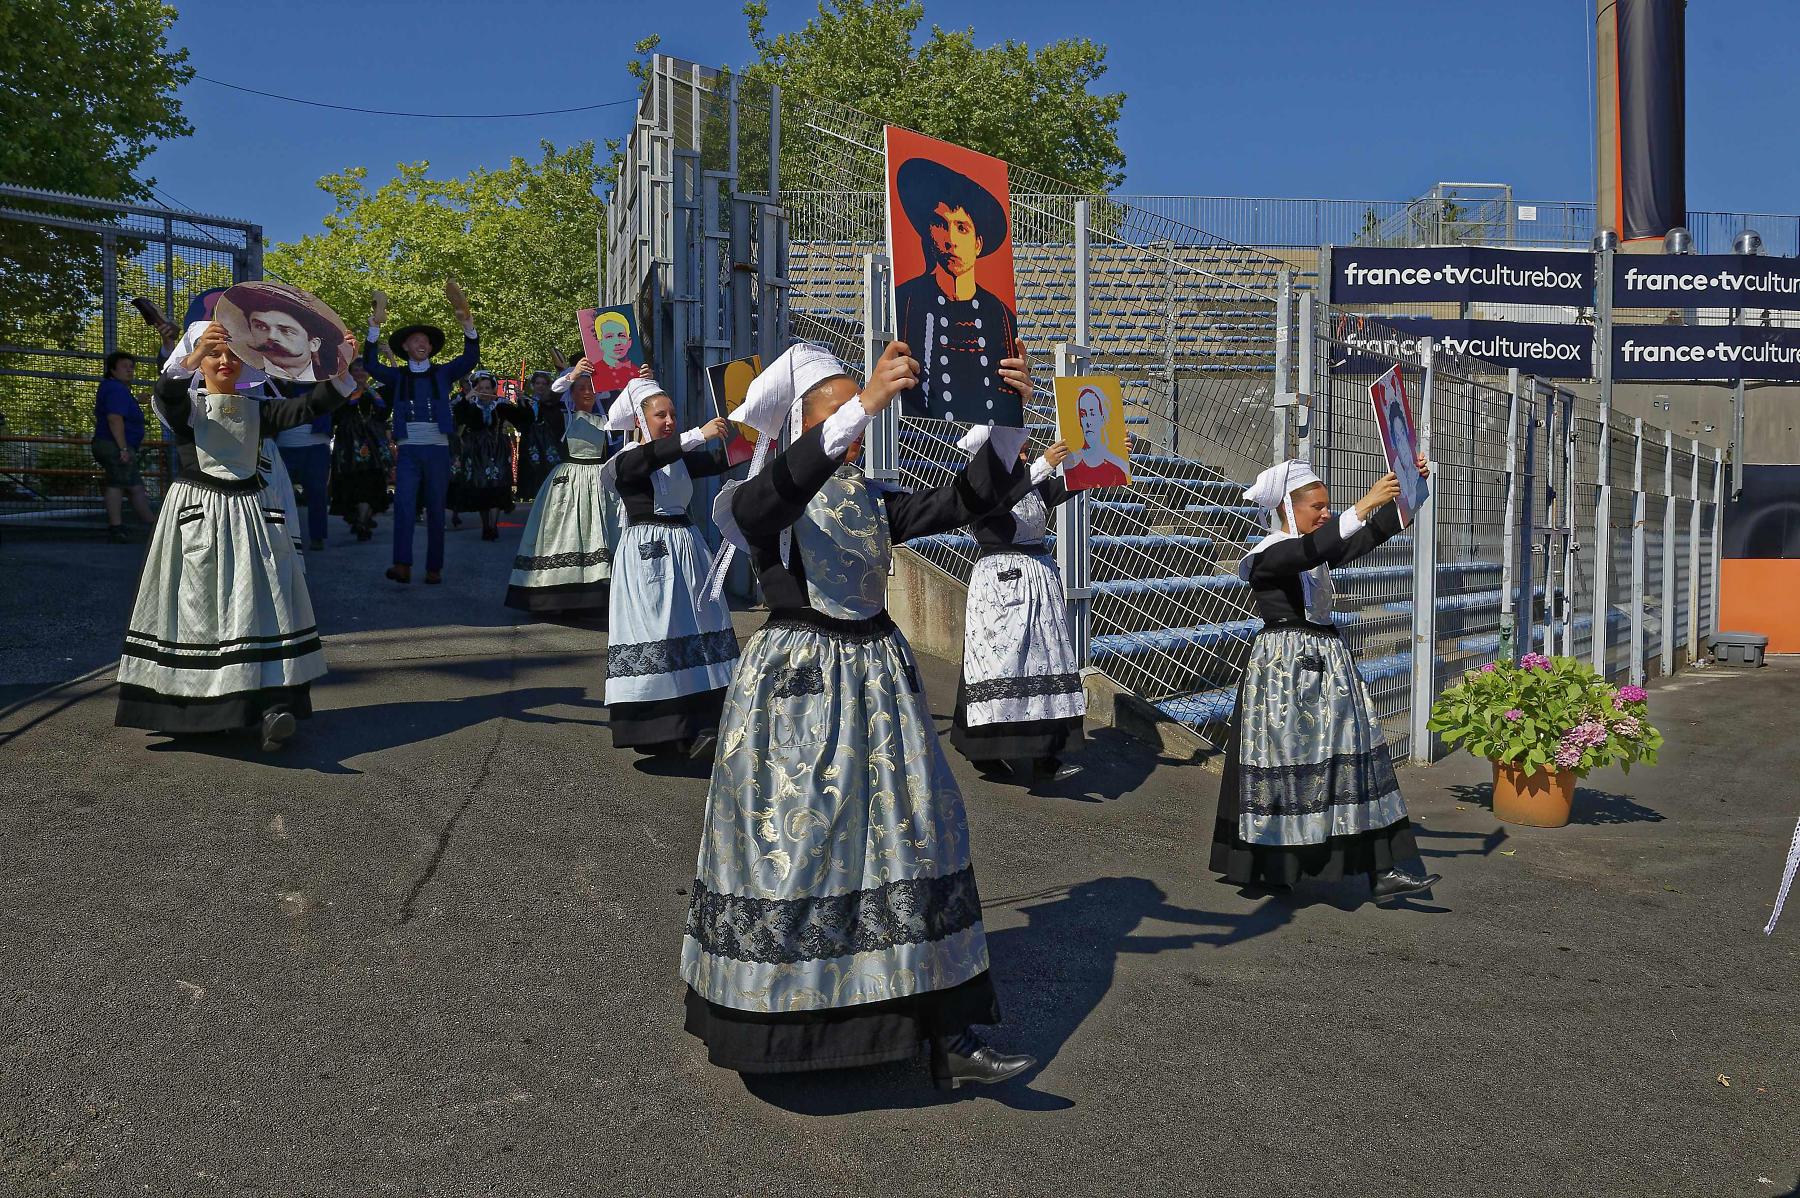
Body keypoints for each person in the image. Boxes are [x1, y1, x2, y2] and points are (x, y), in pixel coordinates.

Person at [680, 340, 1037, 1090]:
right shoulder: (757, 497)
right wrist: (868, 399)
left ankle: (945, 1033)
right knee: (800, 851)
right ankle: (787, 1030)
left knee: (916, 844)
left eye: (861, 407)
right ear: (803, 424)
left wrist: (1007, 417)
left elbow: (964, 501)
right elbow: (774, 496)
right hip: (799, 692)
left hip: (879, 685)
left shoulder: (868, 495)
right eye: (840, 409)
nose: (860, 419)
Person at [1208, 457, 1443, 902]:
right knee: (1284, 764)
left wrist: (1409, 491)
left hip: (1329, 667)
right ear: (1287, 508)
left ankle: (1382, 871)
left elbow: (1366, 537)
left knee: (1353, 757)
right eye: (1316, 506)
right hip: (1283, 675)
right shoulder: (1267, 555)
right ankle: (1276, 866)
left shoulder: (1312, 550)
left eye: (1327, 506)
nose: (1325, 513)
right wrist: (1367, 502)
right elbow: (1308, 551)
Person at [116, 321, 356, 749]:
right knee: (197, 609)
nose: (225, 361)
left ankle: (271, 706)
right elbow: (168, 394)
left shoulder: (259, 410)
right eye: (214, 354)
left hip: (250, 518)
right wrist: (189, 358)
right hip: (198, 517)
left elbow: (307, 407)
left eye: (233, 355)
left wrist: (341, 370)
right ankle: (199, 709)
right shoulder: (187, 409)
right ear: (198, 362)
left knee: (264, 605)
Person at [600, 377, 740, 756]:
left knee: (697, 626)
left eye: (673, 415)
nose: (669, 421)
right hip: (649, 555)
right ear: (639, 420)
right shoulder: (627, 459)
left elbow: (719, 460)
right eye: (660, 415)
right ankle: (660, 728)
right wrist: (697, 433)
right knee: (659, 631)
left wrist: (758, 438)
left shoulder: (676, 457)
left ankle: (701, 722)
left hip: (687, 548)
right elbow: (648, 459)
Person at [950, 427, 1087, 783]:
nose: (1024, 456)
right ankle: (984, 749)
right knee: (999, 666)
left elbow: (1066, 486)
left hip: (1037, 579)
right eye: (1018, 450)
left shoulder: (1028, 480)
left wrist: (1109, 457)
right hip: (1000, 585)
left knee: (1043, 663)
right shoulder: (977, 483)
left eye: (1026, 450)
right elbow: (999, 503)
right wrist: (1043, 465)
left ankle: (1046, 757)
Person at [362, 280, 481, 584]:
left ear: (430, 347)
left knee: (436, 508)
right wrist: (374, 328)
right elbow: (371, 366)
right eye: (416, 339)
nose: (422, 343)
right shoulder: (397, 375)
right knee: (403, 505)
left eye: (425, 340)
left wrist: (467, 323)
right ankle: (402, 565)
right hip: (408, 450)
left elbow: (470, 359)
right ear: (405, 347)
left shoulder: (444, 372)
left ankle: (433, 568)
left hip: (438, 449)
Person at [892, 157, 1020, 424]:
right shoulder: (904, 300)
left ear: (978, 243)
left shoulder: (1000, 315)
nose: (950, 240)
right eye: (941, 225)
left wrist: (1019, 397)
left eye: (962, 228)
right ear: (928, 233)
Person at [504, 367, 614, 616]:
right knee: (565, 536)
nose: (587, 393)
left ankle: (594, 597)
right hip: (568, 484)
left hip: (600, 482)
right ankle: (556, 595)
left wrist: (642, 378)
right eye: (581, 388)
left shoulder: (608, 420)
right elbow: (549, 397)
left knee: (597, 536)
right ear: (571, 393)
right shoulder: (561, 417)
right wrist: (572, 375)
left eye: (591, 388)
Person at [451, 371, 525, 541]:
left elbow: (521, 419)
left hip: (498, 451)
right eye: (480, 388)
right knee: (481, 488)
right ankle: (486, 525)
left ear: (493, 390)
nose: (484, 391)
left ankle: (493, 525)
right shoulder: (470, 406)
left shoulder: (501, 406)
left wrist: (521, 400)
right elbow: (458, 418)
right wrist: (468, 397)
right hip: (477, 452)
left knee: (498, 487)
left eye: (487, 388)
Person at [223, 280, 346, 382]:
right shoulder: (240, 380)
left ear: (314, 344)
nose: (271, 336)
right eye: (261, 327)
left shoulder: (330, 384)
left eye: (286, 330)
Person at [92, 350, 157, 543]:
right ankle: (117, 528)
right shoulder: (116, 389)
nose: (130, 370)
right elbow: (114, 419)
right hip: (115, 446)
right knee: (117, 485)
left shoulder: (116, 389)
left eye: (131, 366)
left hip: (114, 445)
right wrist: (123, 449)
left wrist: (136, 401)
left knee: (135, 486)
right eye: (124, 366)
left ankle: (154, 526)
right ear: (112, 370)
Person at [327, 362, 392, 542]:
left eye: (364, 369)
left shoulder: (375, 392)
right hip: (349, 443)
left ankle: (364, 519)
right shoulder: (343, 391)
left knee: (373, 479)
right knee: (352, 480)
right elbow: (343, 410)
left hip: (373, 443)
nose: (360, 372)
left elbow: (384, 411)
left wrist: (368, 390)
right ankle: (358, 517)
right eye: (356, 369)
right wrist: (358, 390)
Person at [274, 393, 333, 552]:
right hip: (285, 446)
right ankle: (280, 536)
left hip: (316, 446)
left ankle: (317, 537)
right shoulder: (279, 384)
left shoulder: (323, 381)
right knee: (279, 496)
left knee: (317, 494)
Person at [1063, 383, 1131, 488]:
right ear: (1080, 420)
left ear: (1102, 418)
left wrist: (1124, 451)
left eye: (1092, 414)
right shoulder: (1071, 470)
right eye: (1083, 415)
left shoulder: (1117, 472)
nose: (1088, 422)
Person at [515, 369, 565, 502]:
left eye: (544, 384)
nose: (540, 386)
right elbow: (521, 421)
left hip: (548, 440)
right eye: (538, 383)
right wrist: (521, 402)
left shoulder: (554, 403)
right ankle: (528, 493)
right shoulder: (526, 400)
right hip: (530, 440)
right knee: (530, 465)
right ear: (533, 385)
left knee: (549, 465)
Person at [588, 310, 641, 393]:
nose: (617, 342)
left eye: (621, 335)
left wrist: (648, 380)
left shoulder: (639, 372)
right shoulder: (593, 374)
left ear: (629, 341)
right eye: (609, 337)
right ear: (600, 343)